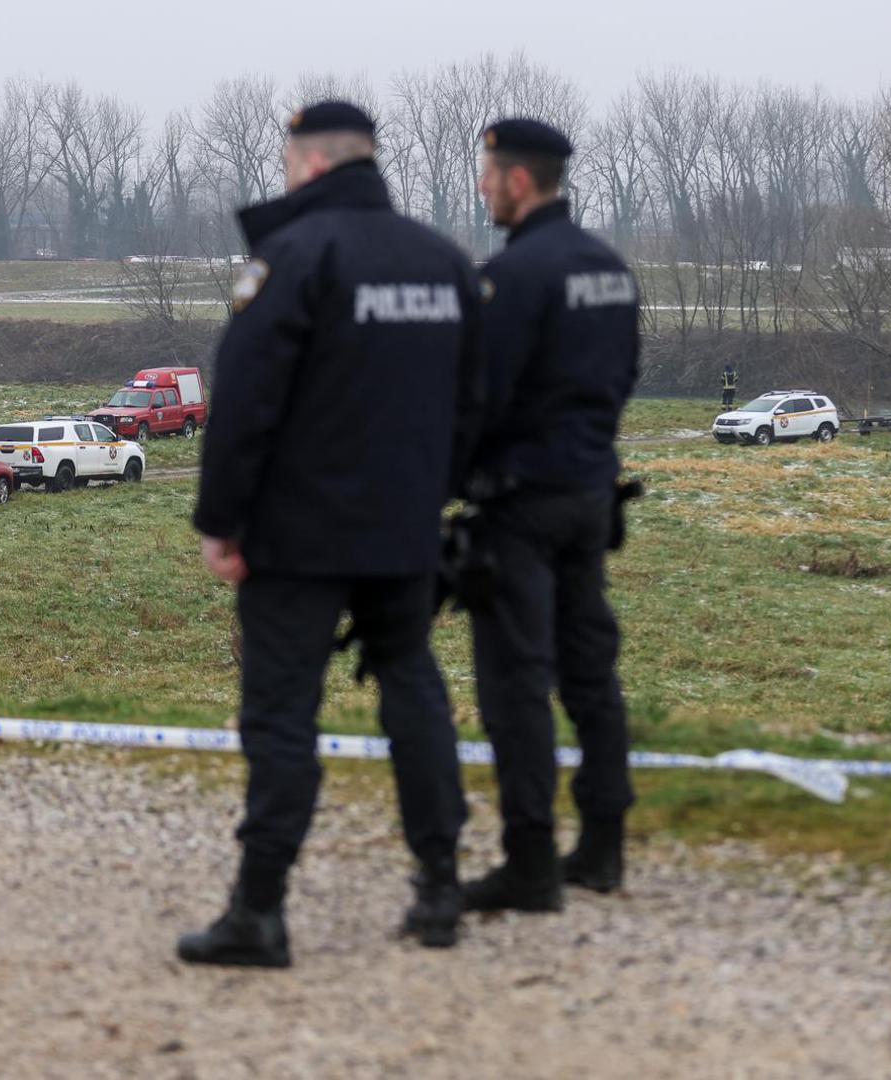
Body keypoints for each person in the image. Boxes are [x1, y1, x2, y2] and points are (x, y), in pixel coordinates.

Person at [178, 101, 485, 968]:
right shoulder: (443, 261)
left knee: (281, 716)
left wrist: (220, 523)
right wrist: (434, 492)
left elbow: (242, 406)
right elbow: (475, 403)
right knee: (413, 692)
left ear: (310, 166)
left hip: (296, 538)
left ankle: (261, 911)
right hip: (401, 531)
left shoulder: (292, 257)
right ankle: (439, 890)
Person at [461, 118, 640, 914]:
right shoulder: (609, 268)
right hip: (591, 496)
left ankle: (530, 863)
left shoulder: (512, 277)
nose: (482, 187)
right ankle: (602, 849)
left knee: (516, 684)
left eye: (487, 174)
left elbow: (479, 398)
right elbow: (624, 374)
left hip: (522, 507)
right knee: (592, 675)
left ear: (518, 181)